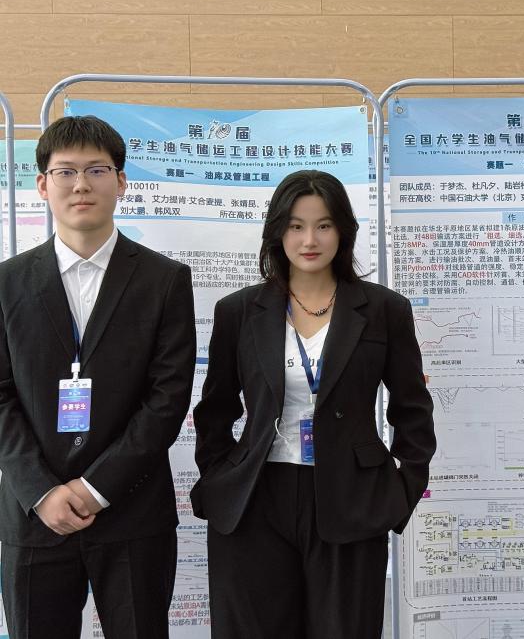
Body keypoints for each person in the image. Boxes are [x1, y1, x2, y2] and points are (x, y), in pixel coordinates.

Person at [191, 169, 435, 638]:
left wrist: (400, 492)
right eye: (296, 226)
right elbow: (215, 410)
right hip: (256, 498)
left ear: (342, 231)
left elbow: (412, 410)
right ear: (277, 232)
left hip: (350, 498)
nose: (309, 240)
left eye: (323, 225)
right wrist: (220, 478)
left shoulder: (383, 309)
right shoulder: (239, 310)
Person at [0, 116, 196, 639]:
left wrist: (94, 488)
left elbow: (167, 398)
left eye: (96, 170)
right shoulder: (7, 283)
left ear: (121, 181)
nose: (81, 184)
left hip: (133, 513)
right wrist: (43, 492)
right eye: (65, 172)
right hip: (34, 514)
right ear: (42, 185)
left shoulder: (164, 280)